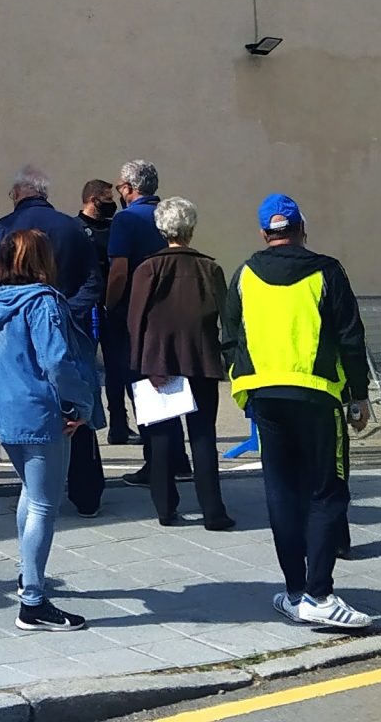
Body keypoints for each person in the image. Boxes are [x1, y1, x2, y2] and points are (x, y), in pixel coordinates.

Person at [224, 194, 375, 632]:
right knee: (327, 493)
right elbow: (350, 335)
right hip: (317, 394)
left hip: (264, 396)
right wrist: (359, 395)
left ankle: (295, 592)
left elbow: (230, 336)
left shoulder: (244, 275)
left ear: (263, 234)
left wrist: (243, 388)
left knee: (282, 492)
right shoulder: (327, 271)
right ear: (302, 229)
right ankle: (320, 594)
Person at [0, 228, 103, 632]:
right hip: (40, 412)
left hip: (2, 410)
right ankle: (32, 601)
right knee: (45, 504)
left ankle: (27, 576)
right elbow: (58, 363)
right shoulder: (43, 302)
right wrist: (79, 405)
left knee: (30, 494)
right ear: (41, 260)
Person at [0, 166, 104, 516]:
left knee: (30, 406)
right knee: (74, 407)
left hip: (19, 333)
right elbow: (94, 280)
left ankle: (34, 494)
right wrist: (68, 311)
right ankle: (87, 495)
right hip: (70, 328)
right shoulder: (72, 227)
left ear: (17, 193)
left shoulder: (6, 228)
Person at [125, 198, 234, 530]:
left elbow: (135, 319)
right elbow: (225, 316)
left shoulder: (148, 268)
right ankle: (213, 511)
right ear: (191, 228)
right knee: (203, 437)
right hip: (201, 358)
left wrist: (140, 361)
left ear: (161, 229)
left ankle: (165, 508)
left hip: (158, 361)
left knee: (159, 439)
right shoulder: (210, 268)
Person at [104, 160, 181, 484]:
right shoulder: (167, 215)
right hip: (170, 310)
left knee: (142, 388)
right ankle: (178, 459)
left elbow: (119, 270)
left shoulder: (125, 220)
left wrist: (109, 304)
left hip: (136, 313)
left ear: (129, 188)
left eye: (121, 186)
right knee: (169, 385)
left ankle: (155, 464)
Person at [78, 179, 127, 442]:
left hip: (112, 304)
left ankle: (119, 423)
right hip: (87, 306)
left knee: (117, 367)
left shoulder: (113, 228)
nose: (112, 205)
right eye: (107, 200)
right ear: (93, 200)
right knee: (85, 365)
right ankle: (87, 421)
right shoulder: (77, 229)